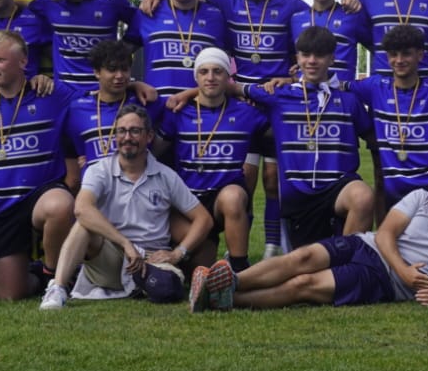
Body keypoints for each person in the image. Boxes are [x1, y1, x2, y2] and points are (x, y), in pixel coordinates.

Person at [188, 163, 428, 311]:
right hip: (366, 244)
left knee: (304, 285)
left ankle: (224, 300)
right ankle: (229, 281)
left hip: (382, 279)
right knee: (302, 256)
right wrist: (405, 270)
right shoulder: (422, 198)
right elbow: (385, 234)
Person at [215, 25, 374, 249]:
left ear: (332, 58)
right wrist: (185, 95)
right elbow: (231, 87)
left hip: (338, 192)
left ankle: (349, 263)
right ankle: (241, 271)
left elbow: (373, 138)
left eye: (319, 55)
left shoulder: (349, 101)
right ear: (297, 58)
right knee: (304, 266)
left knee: (363, 197)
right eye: (305, 55)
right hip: (298, 197)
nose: (312, 61)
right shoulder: (278, 96)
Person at [40, 106, 214, 310]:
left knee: (167, 289)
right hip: (112, 254)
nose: (127, 137)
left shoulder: (166, 175)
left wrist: (177, 253)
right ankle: (58, 288)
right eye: (121, 131)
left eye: (135, 131)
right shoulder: (99, 170)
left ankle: (147, 285)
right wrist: (125, 243)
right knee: (83, 224)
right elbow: (81, 208)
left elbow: (204, 218)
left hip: (151, 259)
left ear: (149, 136)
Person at [0, 30, 76, 301]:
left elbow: (99, 95)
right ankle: (35, 275)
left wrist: (134, 85)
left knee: (60, 206)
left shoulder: (51, 94)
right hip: (0, 206)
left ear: (23, 62)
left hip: (40, 195)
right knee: (10, 295)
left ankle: (52, 275)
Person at [208, 0, 308, 256]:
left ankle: (272, 246)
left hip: (275, 104)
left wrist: (292, 78)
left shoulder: (291, 5)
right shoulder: (226, 0)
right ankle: (236, 248)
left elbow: (317, 22)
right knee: (245, 178)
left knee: (273, 179)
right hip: (241, 104)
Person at [165, 47, 268, 271]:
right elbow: (153, 151)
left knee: (234, 197)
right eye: (204, 72)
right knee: (201, 268)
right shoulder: (178, 112)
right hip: (187, 202)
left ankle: (239, 268)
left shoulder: (246, 112)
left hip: (223, 198)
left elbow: (280, 113)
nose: (210, 77)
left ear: (228, 77)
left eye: (218, 71)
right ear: (196, 77)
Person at [352, 26, 428, 210]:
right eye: (394, 54)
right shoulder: (375, 87)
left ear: (420, 55)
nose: (399, 60)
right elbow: (338, 89)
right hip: (395, 196)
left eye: (406, 54)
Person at [28, 0, 137, 90]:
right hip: (64, 93)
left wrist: (120, 53)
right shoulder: (46, 0)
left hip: (103, 92)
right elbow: (24, 10)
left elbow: (140, 25)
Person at [130, 0, 229, 98]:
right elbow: (120, 55)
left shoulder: (216, 16)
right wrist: (132, 84)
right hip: (156, 105)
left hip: (199, 106)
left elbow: (225, 64)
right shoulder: (148, 11)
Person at [63, 39, 167, 172]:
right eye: (112, 69)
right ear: (97, 72)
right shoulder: (77, 109)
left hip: (136, 181)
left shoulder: (144, 102)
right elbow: (75, 151)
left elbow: (172, 114)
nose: (119, 75)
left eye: (124, 69)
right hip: (95, 183)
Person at [290, 0, 369, 83]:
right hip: (305, 92)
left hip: (341, 92)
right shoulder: (296, 19)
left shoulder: (352, 15)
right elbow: (291, 56)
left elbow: (377, 49)